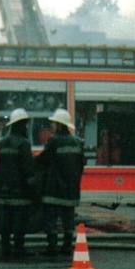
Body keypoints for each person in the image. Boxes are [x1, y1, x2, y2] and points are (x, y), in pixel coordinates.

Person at [35, 109, 85, 257]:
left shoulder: (54, 141)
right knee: (68, 220)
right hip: (71, 190)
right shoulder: (77, 142)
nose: (51, 126)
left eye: (53, 123)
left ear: (59, 125)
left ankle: (52, 248)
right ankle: (67, 247)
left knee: (50, 220)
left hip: (54, 189)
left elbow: (42, 161)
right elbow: (81, 166)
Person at [0, 108, 38, 259]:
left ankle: (5, 250)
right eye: (25, 124)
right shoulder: (23, 144)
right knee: (20, 223)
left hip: (4, 192)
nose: (26, 127)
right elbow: (28, 169)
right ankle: (18, 250)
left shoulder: (2, 143)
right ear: (21, 125)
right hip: (20, 192)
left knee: (5, 223)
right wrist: (34, 191)